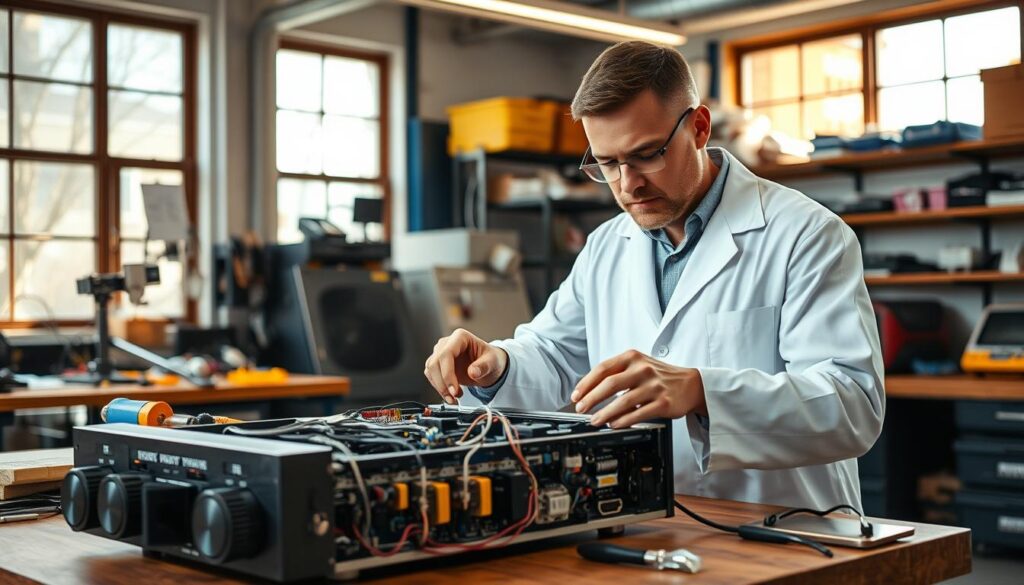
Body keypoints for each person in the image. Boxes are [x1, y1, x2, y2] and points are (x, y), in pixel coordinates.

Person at [423, 40, 884, 509]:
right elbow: (556, 354)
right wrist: (493, 367)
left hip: (788, 529)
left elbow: (853, 405)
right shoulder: (607, 245)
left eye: (646, 154)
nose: (628, 184)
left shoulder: (806, 234)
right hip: (652, 523)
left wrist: (702, 391)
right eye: (606, 163)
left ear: (699, 128)